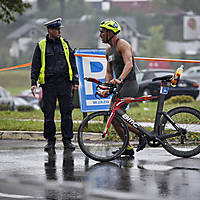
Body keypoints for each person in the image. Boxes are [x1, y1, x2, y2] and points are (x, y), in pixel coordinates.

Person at [31, 18, 79, 154]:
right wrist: (33, 82)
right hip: (49, 85)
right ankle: (50, 141)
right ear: (50, 30)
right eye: (57, 29)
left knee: (67, 113)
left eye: (60, 29)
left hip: (64, 84)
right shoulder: (41, 45)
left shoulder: (65, 43)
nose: (59, 31)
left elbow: (73, 62)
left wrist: (75, 81)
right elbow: (35, 65)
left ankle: (67, 141)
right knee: (48, 114)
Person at [99, 19, 146, 156]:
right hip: (120, 85)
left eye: (102, 32)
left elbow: (129, 64)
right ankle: (128, 147)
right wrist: (107, 87)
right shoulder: (108, 51)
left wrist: (119, 79)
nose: (100, 34)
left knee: (117, 114)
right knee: (113, 117)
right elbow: (108, 72)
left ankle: (141, 134)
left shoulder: (123, 45)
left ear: (110, 32)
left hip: (129, 84)